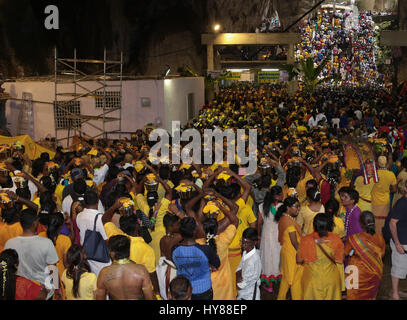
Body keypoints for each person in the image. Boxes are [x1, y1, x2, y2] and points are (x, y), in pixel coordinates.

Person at [4, 208, 59, 300]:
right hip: (42, 292)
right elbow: (52, 269)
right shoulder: (46, 243)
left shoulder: (9, 243)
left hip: (18, 292)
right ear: (35, 223)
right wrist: (57, 289)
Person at [297, 213, 344, 300]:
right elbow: (341, 259)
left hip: (312, 280)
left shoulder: (306, 240)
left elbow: (299, 260)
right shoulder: (336, 239)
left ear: (314, 225)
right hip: (331, 279)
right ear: (330, 225)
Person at [171, 217, 220, 300]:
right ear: (195, 231)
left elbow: (177, 263)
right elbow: (217, 264)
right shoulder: (205, 249)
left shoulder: (175, 249)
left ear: (181, 232)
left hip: (184, 291)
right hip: (204, 289)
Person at [96, 235, 155, 300]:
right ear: (129, 250)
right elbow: (150, 297)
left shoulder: (103, 273)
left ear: (111, 253)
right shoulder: (141, 271)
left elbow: (99, 297)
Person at [345, 211, 385, 300]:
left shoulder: (354, 239)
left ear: (361, 224)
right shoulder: (380, 238)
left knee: (353, 295)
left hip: (355, 273)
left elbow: (345, 253)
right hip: (375, 273)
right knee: (370, 296)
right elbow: (381, 255)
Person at [76, 191, 111, 276]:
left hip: (88, 256)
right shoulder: (100, 218)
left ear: (84, 202)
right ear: (98, 201)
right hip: (102, 259)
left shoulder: (79, 216)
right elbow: (107, 240)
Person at [383, 180, 407, 300]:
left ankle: (397, 291)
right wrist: (397, 243)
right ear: (406, 189)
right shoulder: (402, 203)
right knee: (398, 267)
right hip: (401, 241)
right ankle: (395, 294)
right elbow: (392, 223)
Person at [276, 197, 303, 300]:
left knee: (286, 279)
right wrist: (302, 253)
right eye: (296, 207)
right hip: (292, 253)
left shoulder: (286, 218)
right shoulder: (288, 221)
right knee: (295, 280)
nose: (298, 209)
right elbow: (294, 242)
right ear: (288, 207)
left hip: (288, 251)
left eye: (299, 207)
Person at [258, 186, 283, 293]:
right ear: (276, 196)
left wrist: (259, 236)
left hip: (266, 235)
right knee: (277, 256)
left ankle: (269, 283)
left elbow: (259, 223)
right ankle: (277, 279)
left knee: (267, 257)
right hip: (278, 234)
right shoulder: (283, 206)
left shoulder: (263, 206)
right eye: (281, 194)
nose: (282, 195)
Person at [371, 156, 397, 235]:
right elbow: (394, 190)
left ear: (377, 164)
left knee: (374, 220)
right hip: (385, 201)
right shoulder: (391, 174)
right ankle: (382, 239)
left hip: (374, 200)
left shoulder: (373, 174)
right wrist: (386, 191)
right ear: (386, 164)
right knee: (383, 221)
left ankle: (374, 237)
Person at [236, 228, 261, 300]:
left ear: (255, 243)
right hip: (243, 293)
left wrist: (237, 277)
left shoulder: (253, 261)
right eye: (242, 242)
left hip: (249, 295)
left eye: (247, 243)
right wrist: (238, 275)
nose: (243, 245)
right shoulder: (245, 252)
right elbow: (239, 268)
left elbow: (240, 286)